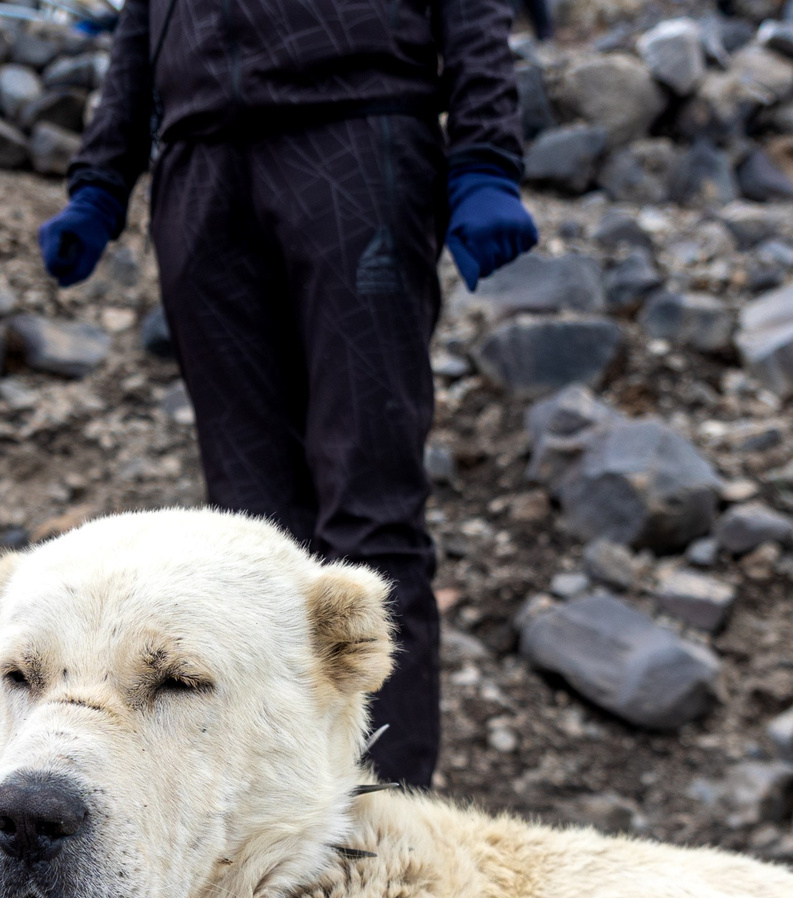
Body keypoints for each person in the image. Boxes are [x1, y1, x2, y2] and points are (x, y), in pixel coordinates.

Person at [38, 0, 536, 790]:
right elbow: (143, 18)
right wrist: (101, 180)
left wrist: (485, 160)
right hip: (199, 171)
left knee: (369, 509)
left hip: (354, 143)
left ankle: (383, 811)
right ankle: (276, 804)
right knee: (248, 533)